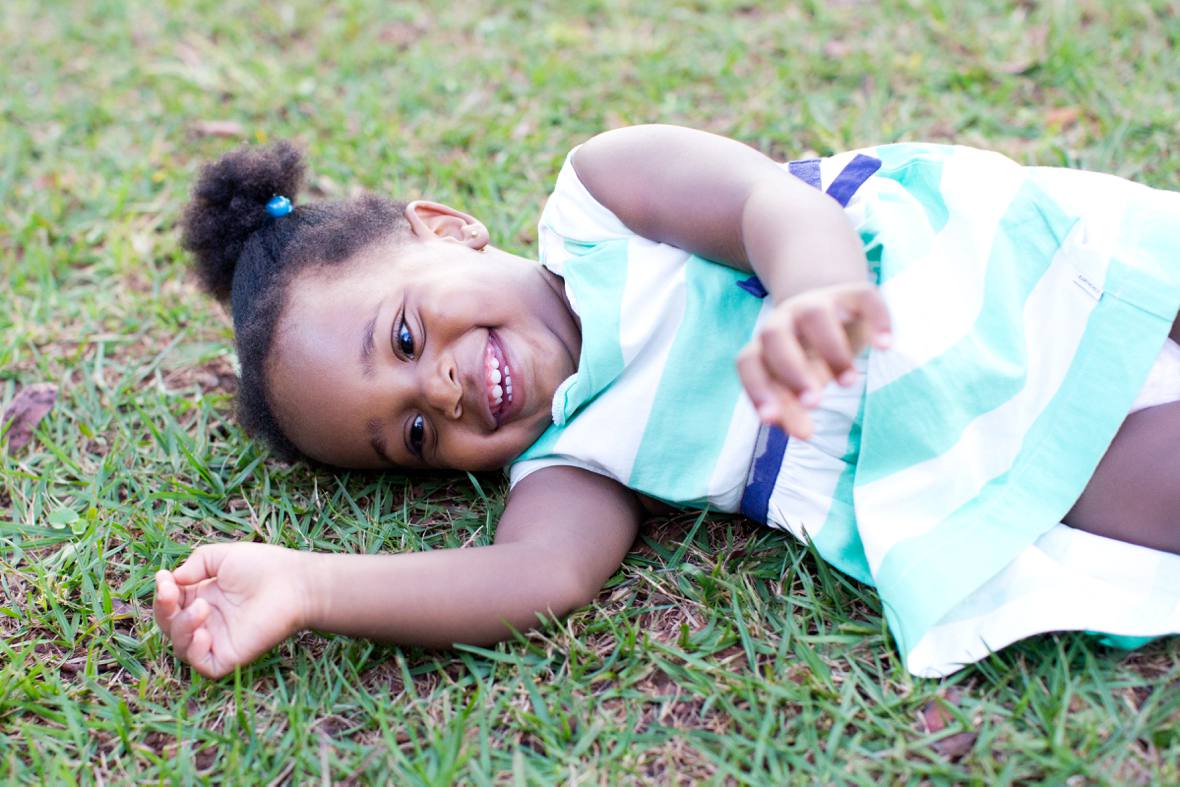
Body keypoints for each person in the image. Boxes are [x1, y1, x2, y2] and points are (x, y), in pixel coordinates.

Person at [155, 125, 1180, 679]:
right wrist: (309, 587)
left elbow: (766, 201)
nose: (440, 389)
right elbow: (534, 576)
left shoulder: (604, 201)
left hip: (961, 275)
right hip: (939, 455)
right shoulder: (571, 458)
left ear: (446, 226)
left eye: (408, 336)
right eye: (413, 435)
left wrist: (811, 294)